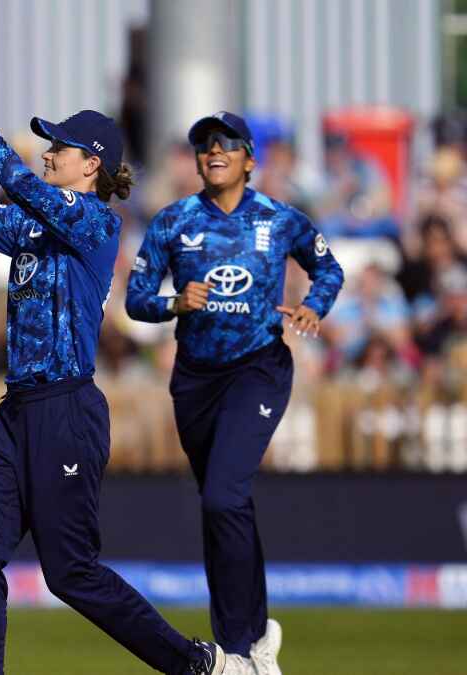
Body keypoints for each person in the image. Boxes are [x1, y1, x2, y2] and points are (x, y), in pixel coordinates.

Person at [0, 58, 226, 675]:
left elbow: (28, 191)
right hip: (16, 414)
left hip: (67, 409)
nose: (46, 154)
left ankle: (196, 664)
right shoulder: (33, 226)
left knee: (71, 574)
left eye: (56, 146)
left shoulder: (93, 221)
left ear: (90, 163)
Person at [125, 111, 345, 675]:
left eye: (226, 144)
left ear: (250, 159)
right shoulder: (174, 221)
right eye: (203, 145)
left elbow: (329, 270)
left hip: (259, 369)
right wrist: (176, 303)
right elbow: (137, 298)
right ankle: (252, 638)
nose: (213, 151)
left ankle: (242, 648)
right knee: (222, 506)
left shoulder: (280, 217)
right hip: (196, 379)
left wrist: (312, 308)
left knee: (224, 496)